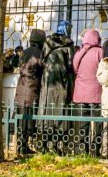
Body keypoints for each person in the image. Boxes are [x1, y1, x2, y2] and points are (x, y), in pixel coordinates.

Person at [39, 20, 76, 155]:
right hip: (62, 82)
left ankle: (43, 144)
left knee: (46, 112)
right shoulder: (69, 44)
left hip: (48, 82)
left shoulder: (48, 42)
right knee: (59, 112)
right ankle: (56, 145)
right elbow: (72, 64)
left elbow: (42, 59)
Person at [71, 29, 105, 155]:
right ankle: (95, 150)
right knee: (97, 125)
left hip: (80, 93)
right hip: (96, 93)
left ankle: (82, 150)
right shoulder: (100, 52)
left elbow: (74, 69)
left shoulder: (79, 52)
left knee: (82, 124)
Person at [14, 29, 46, 156]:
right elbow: (42, 68)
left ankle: (20, 145)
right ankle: (24, 146)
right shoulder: (39, 53)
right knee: (28, 118)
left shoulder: (25, 52)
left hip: (21, 86)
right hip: (31, 88)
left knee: (21, 117)